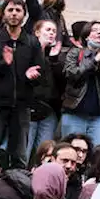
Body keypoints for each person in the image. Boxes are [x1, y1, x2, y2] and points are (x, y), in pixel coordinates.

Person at [0, 0, 46, 169]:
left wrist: (33, 76)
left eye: (18, 10)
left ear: (24, 15)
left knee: (19, 155)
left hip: (21, 105)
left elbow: (42, 74)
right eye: (10, 10)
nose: (14, 14)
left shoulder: (32, 42)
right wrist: (4, 63)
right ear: (3, 13)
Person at [62, 21, 100, 146]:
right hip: (75, 114)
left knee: (98, 155)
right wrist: (94, 60)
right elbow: (71, 75)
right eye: (95, 30)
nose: (99, 32)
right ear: (86, 36)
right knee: (70, 151)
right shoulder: (75, 53)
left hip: (99, 118)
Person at [27, 19, 63, 160]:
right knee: (25, 149)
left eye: (54, 31)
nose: (52, 33)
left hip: (48, 110)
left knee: (45, 152)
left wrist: (54, 60)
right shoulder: (27, 52)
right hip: (29, 109)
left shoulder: (52, 56)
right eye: (48, 30)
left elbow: (58, 82)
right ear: (37, 33)